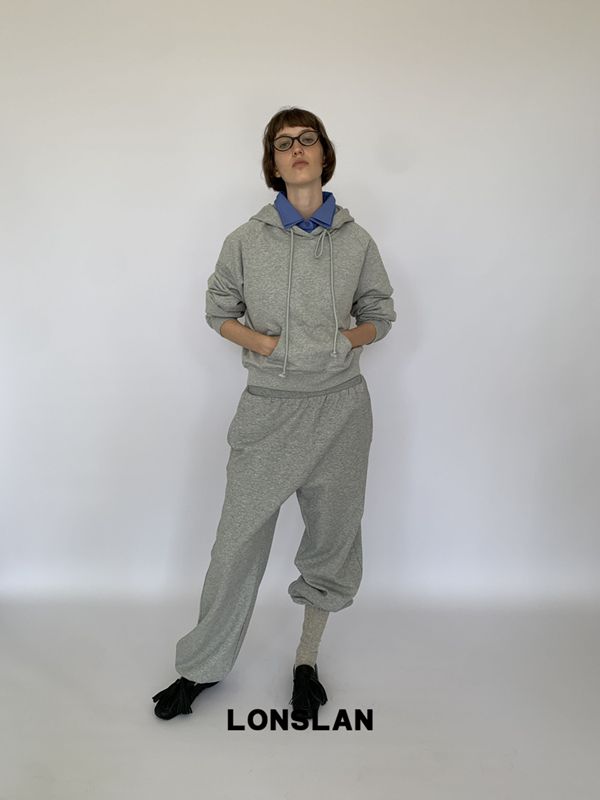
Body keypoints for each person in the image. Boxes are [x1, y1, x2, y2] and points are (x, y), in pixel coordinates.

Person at [152, 106, 396, 721]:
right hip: (269, 411)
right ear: (273, 163)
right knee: (235, 545)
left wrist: (344, 341)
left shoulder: (357, 241)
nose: (297, 149)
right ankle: (200, 667)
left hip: (342, 412)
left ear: (324, 153)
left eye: (307, 139)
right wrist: (264, 345)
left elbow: (381, 313)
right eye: (284, 143)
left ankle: (306, 660)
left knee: (332, 544)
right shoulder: (245, 240)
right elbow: (217, 309)